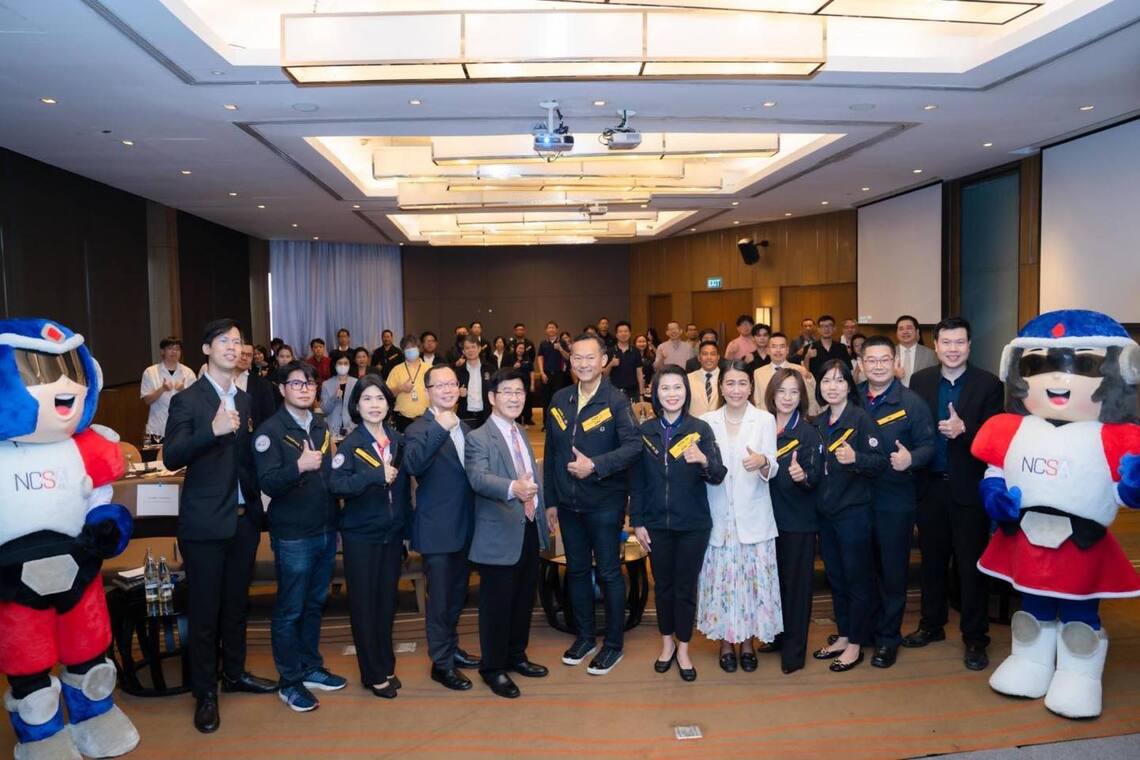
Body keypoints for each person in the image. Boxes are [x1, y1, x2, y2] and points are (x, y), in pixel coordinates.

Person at [163, 319, 276, 733]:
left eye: (238, 341)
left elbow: (247, 460)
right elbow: (172, 456)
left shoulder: (244, 399)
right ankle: (205, 692)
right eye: (224, 341)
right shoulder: (188, 400)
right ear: (207, 349)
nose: (233, 346)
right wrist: (211, 431)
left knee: (236, 605)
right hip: (205, 524)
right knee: (205, 611)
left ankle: (235, 673)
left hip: (244, 521)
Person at [903, 316, 1004, 671]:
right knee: (931, 562)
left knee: (970, 567)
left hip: (969, 489)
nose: (953, 349)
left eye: (960, 342)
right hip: (930, 486)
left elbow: (995, 437)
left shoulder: (989, 384)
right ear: (935, 346)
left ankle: (975, 638)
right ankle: (931, 625)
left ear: (969, 346)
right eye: (946, 342)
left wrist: (965, 430)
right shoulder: (920, 381)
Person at [544, 333, 641, 675]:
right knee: (577, 571)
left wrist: (595, 466)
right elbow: (552, 452)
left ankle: (613, 645)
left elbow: (633, 447)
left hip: (604, 504)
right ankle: (585, 637)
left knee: (609, 573)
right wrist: (550, 500)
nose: (583, 364)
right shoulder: (560, 398)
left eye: (590, 358)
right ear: (569, 361)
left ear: (603, 361)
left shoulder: (616, 401)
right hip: (568, 505)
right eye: (577, 358)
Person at [252, 361, 346, 712]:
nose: (305, 389)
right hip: (293, 534)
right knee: (290, 609)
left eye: (310, 383)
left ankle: (309, 666)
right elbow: (267, 483)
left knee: (314, 603)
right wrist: (298, 467)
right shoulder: (269, 431)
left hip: (325, 528)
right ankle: (289, 681)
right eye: (296, 383)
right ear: (282, 389)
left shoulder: (320, 424)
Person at [631, 365, 726, 681]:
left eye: (677, 387)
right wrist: (638, 521)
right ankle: (667, 644)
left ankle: (684, 648)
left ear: (686, 391)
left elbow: (718, 474)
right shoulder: (645, 431)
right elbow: (638, 481)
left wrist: (704, 460)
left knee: (685, 588)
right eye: (665, 388)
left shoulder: (700, 429)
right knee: (663, 586)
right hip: (656, 524)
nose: (672, 394)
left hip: (693, 525)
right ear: (655, 393)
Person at [465, 369, 552, 698]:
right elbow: (478, 478)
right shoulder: (478, 437)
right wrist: (513, 487)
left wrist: (543, 514)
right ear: (491, 397)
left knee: (522, 600)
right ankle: (493, 668)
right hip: (497, 534)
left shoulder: (520, 432)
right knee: (496, 606)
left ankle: (517, 655)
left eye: (519, 392)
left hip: (527, 528)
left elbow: (533, 479)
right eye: (507, 392)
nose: (515, 398)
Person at [697, 362, 782, 673]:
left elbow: (773, 466)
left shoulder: (765, 419)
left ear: (751, 387)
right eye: (730, 383)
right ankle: (725, 643)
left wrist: (763, 462)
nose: (736, 390)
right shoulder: (706, 421)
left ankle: (747, 644)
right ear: (721, 387)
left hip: (752, 514)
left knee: (749, 585)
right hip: (718, 514)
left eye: (742, 383)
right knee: (723, 582)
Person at [329, 376, 411, 700]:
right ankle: (373, 673)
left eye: (379, 398)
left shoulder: (397, 440)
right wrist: (374, 475)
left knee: (386, 603)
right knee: (364, 605)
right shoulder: (351, 444)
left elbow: (403, 492)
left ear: (388, 404)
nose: (374, 405)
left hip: (391, 535)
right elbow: (336, 485)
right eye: (367, 399)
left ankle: (386, 665)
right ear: (357, 405)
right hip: (361, 536)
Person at [857, 336, 936, 669]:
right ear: (861, 364)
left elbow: (929, 446)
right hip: (856, 502)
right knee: (862, 571)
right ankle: (865, 631)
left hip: (895, 501)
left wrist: (911, 459)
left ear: (895, 363)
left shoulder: (912, 402)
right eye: (871, 360)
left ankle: (888, 638)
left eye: (884, 360)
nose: (878, 366)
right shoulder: (852, 399)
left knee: (892, 574)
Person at [403, 365, 482, 690]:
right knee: (439, 601)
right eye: (440, 385)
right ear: (428, 391)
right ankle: (441, 663)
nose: (448, 390)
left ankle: (452, 648)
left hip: (466, 527)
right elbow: (413, 464)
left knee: (457, 596)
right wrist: (439, 427)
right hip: (437, 530)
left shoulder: (465, 426)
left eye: (452, 384)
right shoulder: (418, 428)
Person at [811, 359, 887, 672]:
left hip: (854, 512)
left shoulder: (861, 419)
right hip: (826, 515)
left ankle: (856, 642)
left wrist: (856, 457)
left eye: (839, 380)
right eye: (826, 381)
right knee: (837, 578)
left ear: (849, 385)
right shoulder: (818, 422)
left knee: (857, 578)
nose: (833, 386)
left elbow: (879, 462)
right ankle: (843, 635)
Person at [763, 368, 824, 674]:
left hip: (797, 521)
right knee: (773, 584)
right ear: (772, 394)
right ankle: (777, 636)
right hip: (765, 520)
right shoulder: (761, 426)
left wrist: (803, 477)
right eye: (782, 391)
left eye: (794, 392)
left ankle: (794, 652)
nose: (787, 398)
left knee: (796, 588)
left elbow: (815, 477)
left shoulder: (808, 432)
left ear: (802, 397)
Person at [140, 336, 196, 445]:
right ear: (162, 351)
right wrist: (162, 389)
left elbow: (195, 402)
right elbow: (147, 400)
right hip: (157, 429)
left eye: (177, 349)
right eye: (170, 348)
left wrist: (183, 390)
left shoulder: (188, 373)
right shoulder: (150, 372)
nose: (174, 351)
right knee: (155, 457)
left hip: (182, 429)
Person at [753, 332, 819, 416]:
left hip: (793, 417)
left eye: (782, 346)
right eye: (774, 346)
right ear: (768, 350)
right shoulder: (758, 372)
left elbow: (810, 396)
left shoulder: (799, 370)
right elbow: (757, 400)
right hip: (767, 418)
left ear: (787, 350)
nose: (778, 350)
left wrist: (808, 377)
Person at [386, 335, 429, 432]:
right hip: (403, 420)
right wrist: (400, 388)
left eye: (413, 347)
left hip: (427, 418)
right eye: (407, 348)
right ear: (402, 351)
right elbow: (386, 393)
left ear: (419, 348)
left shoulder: (429, 368)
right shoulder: (396, 370)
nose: (410, 350)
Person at [456, 335, 491, 427]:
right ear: (463, 351)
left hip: (486, 415)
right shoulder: (458, 371)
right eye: (467, 348)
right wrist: (458, 393)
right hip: (465, 415)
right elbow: (451, 397)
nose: (470, 350)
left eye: (473, 347)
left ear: (479, 349)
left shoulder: (490, 369)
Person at [321, 352, 358, 439]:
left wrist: (351, 426)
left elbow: (358, 408)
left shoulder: (356, 383)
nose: (343, 366)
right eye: (340, 363)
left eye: (346, 363)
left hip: (353, 429)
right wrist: (334, 397)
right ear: (335, 365)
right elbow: (325, 410)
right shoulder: (326, 384)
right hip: (333, 430)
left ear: (350, 365)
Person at [241, 343, 278, 429]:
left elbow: (269, 415)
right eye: (241, 354)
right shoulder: (221, 379)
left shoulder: (262, 383)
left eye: (249, 355)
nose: (244, 358)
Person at [536, 321, 569, 414]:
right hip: (546, 374)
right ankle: (546, 421)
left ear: (557, 330)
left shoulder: (562, 342)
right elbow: (540, 358)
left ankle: (557, 420)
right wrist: (542, 373)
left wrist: (560, 349)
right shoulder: (543, 343)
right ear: (546, 330)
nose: (551, 329)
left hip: (559, 375)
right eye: (549, 327)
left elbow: (568, 357)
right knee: (545, 399)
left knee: (558, 399)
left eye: (553, 327)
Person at [895, 315, 937, 387]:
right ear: (896, 333)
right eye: (901, 329)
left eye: (909, 328)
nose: (905, 332)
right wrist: (892, 375)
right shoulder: (889, 353)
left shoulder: (930, 354)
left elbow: (934, 378)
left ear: (917, 331)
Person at [806, 315, 851, 381]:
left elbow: (848, 370)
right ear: (818, 329)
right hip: (816, 385)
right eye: (822, 326)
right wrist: (807, 357)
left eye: (829, 325)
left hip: (837, 384)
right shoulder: (809, 348)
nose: (826, 329)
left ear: (834, 328)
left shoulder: (842, 348)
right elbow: (805, 372)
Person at [607, 321, 641, 404]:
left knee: (633, 412)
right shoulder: (610, 351)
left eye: (626, 331)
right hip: (614, 392)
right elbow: (603, 375)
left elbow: (639, 374)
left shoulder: (636, 351)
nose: (623, 334)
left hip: (633, 392)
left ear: (630, 334)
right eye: (620, 331)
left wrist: (641, 394)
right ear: (616, 335)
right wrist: (611, 364)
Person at [687, 340, 723, 416]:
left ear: (718, 357)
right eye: (705, 354)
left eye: (713, 354)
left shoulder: (726, 377)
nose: (709, 357)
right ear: (699, 358)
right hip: (695, 422)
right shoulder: (688, 378)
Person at [508, 340, 536, 425]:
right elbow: (506, 371)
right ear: (516, 348)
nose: (521, 350)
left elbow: (532, 371)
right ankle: (517, 420)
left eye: (522, 348)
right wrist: (513, 367)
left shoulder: (527, 359)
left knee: (527, 402)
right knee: (516, 401)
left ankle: (527, 419)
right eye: (519, 348)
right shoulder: (510, 358)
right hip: (514, 385)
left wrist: (532, 384)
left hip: (526, 384)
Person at [635, 333, 655, 401]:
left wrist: (651, 384)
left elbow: (654, 372)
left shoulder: (651, 356)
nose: (642, 344)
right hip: (635, 386)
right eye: (639, 342)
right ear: (635, 343)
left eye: (644, 341)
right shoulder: (631, 356)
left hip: (648, 387)